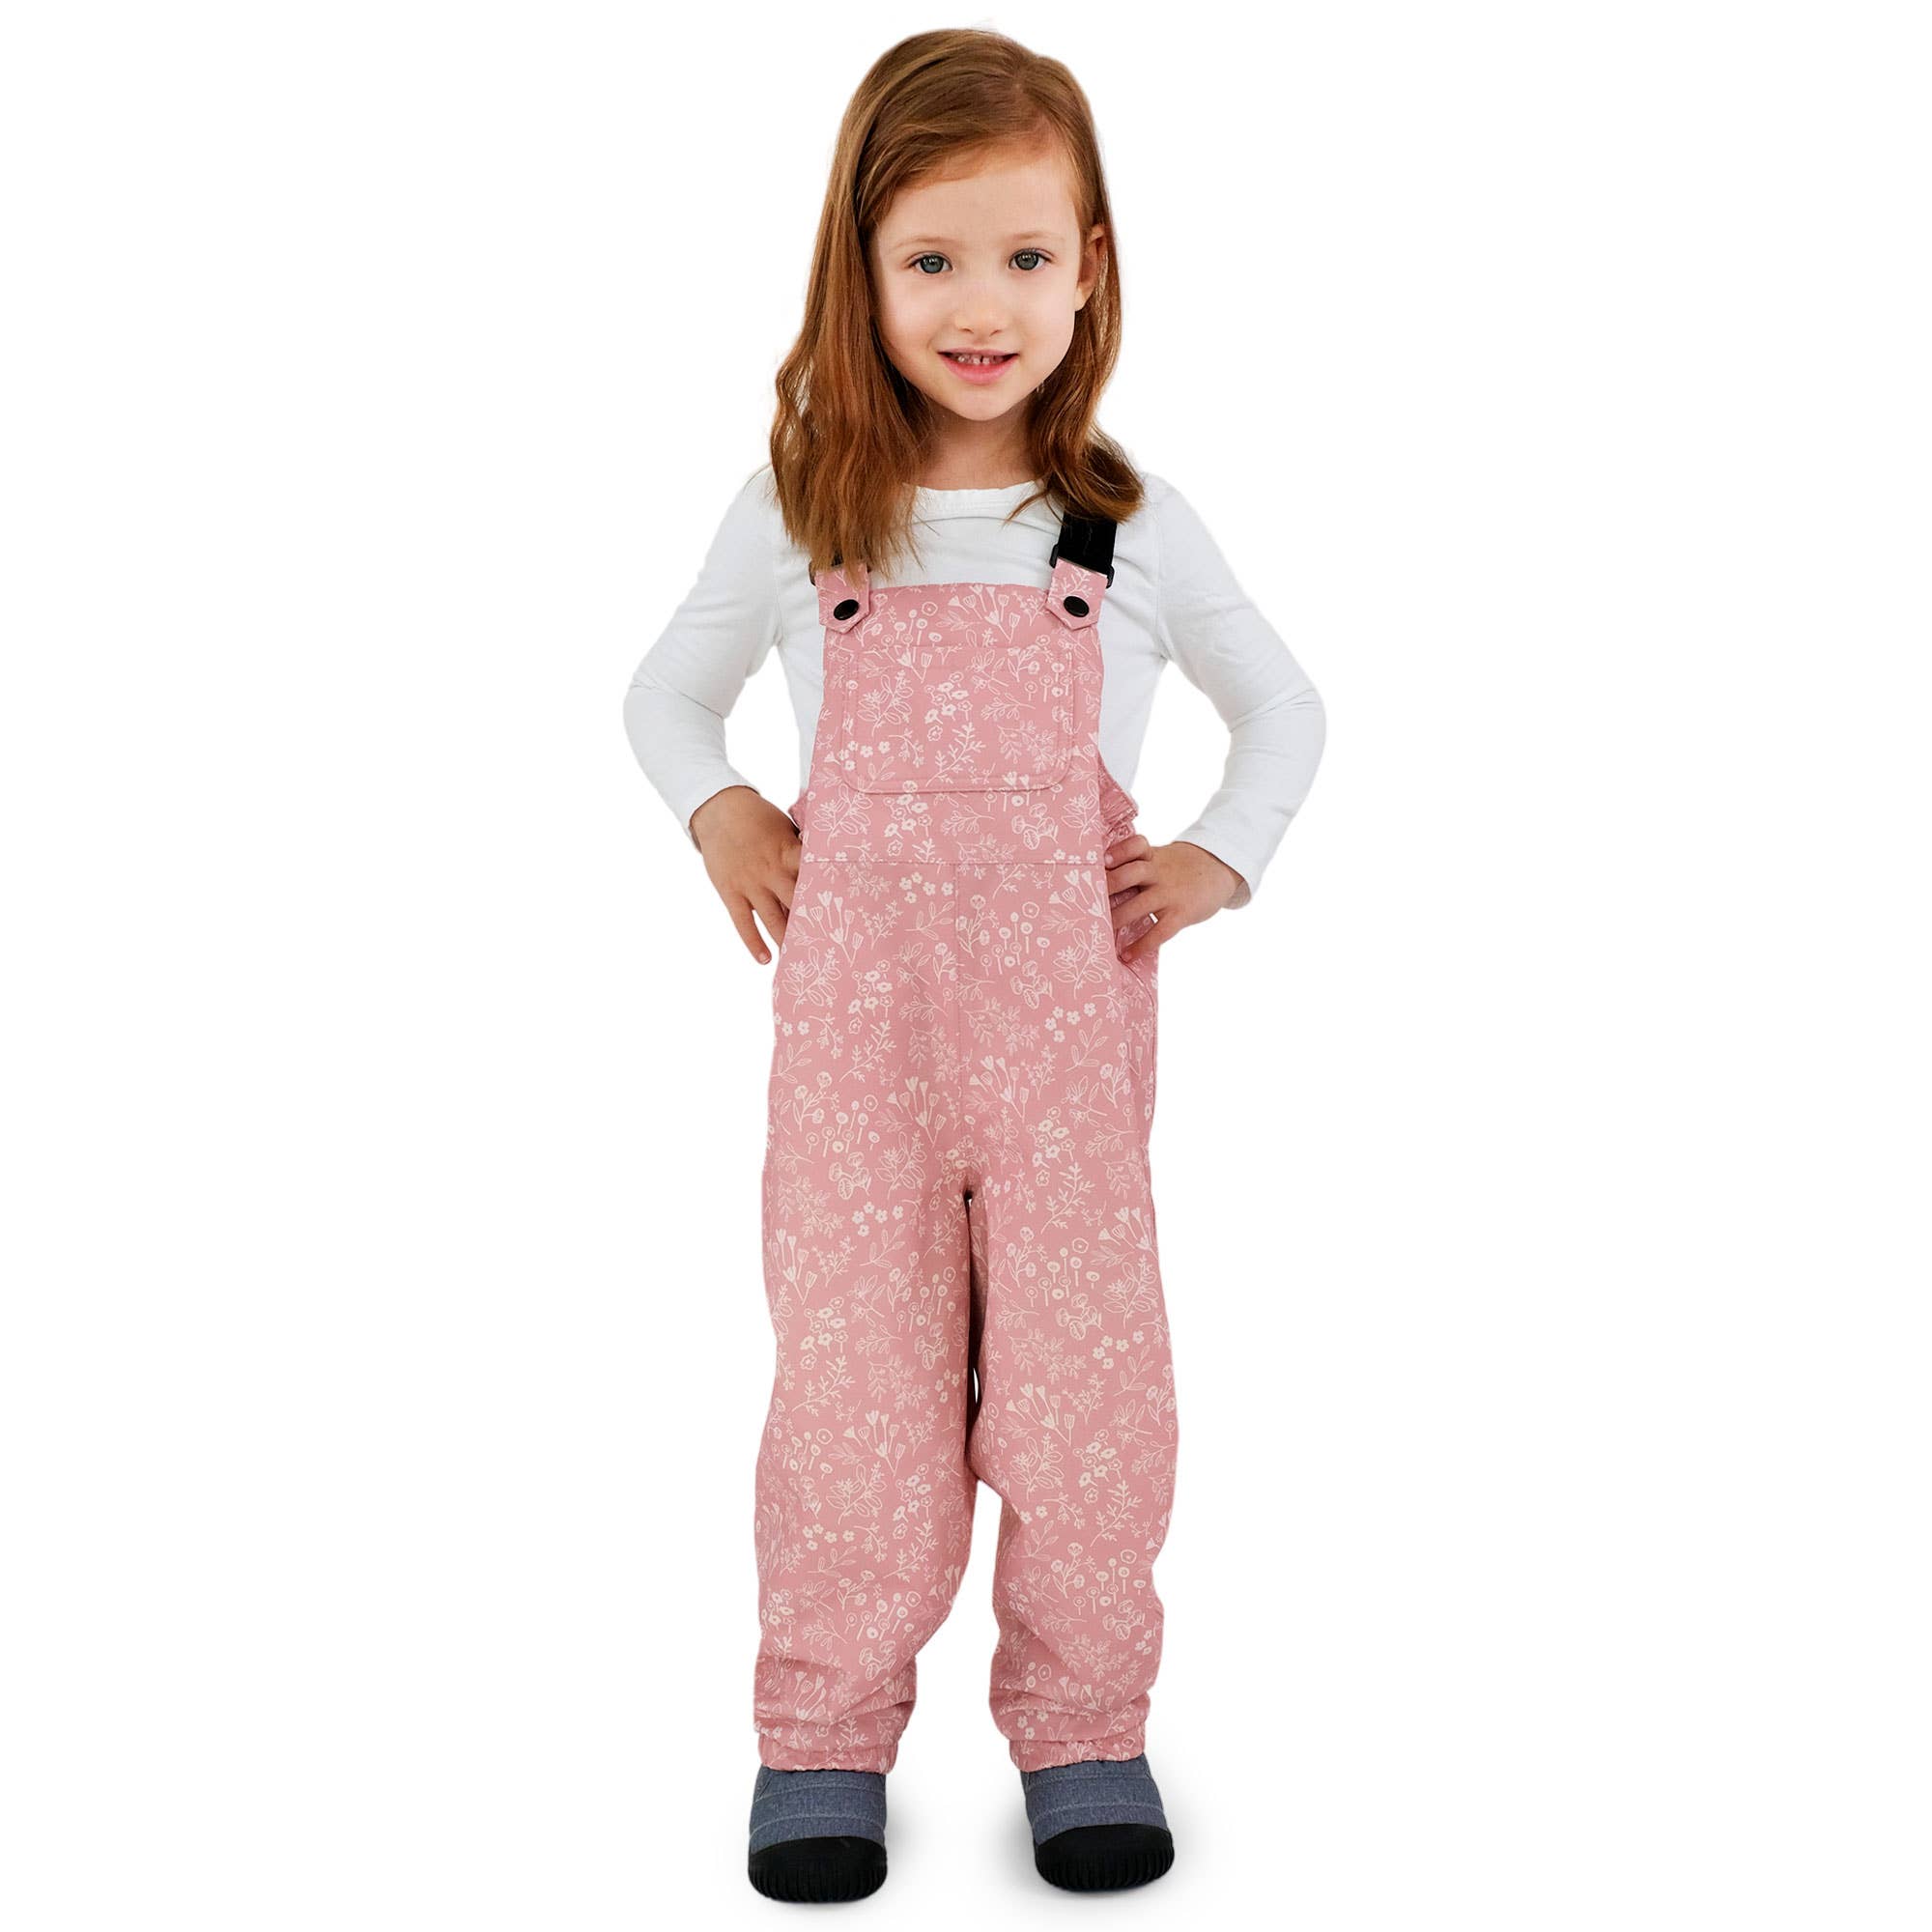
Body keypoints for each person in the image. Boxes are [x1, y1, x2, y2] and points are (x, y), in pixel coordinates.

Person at [621, 28, 1326, 1903]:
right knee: (852, 1393)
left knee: (1086, 1400)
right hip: (859, 1077)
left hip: (1066, 1073)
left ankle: (1085, 1725)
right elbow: (665, 693)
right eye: (929, 259)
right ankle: (822, 1736)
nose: (979, 304)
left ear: (1089, 266)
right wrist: (722, 811)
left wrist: (1217, 858)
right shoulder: (805, 511)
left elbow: (1284, 709)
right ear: (858, 271)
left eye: (1022, 256)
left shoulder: (1123, 526)